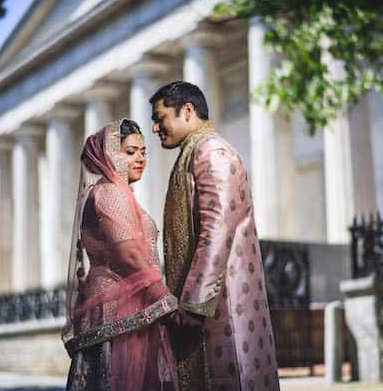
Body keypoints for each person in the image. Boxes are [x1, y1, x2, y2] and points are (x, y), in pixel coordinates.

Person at [150, 81, 281, 391]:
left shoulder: (212, 152)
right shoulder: (194, 152)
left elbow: (217, 227)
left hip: (222, 303)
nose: (155, 128)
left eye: (160, 117)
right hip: (205, 306)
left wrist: (194, 303)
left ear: (187, 111)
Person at [62, 119, 178, 391]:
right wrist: (166, 300)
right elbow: (129, 256)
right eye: (130, 151)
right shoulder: (108, 194)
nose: (140, 158)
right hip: (118, 312)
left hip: (131, 307)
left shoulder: (118, 194)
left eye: (143, 151)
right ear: (110, 155)